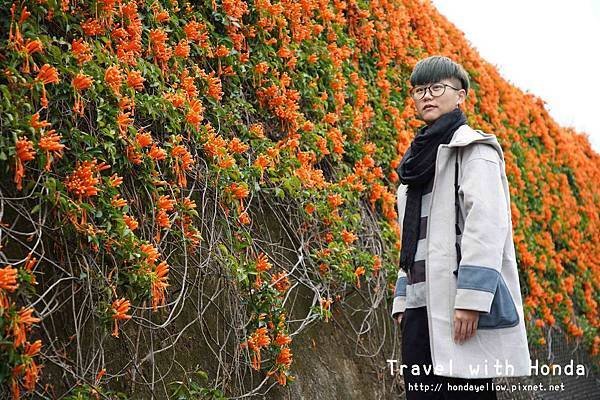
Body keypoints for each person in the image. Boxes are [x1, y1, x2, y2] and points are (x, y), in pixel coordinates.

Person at [390, 55, 531, 399]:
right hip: (419, 307)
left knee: (465, 393)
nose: (426, 96)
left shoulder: (473, 150)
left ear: (461, 95)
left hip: (457, 304)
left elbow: (486, 227)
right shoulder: (413, 164)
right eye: (419, 90)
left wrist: (471, 299)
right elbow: (411, 241)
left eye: (436, 87)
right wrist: (403, 298)